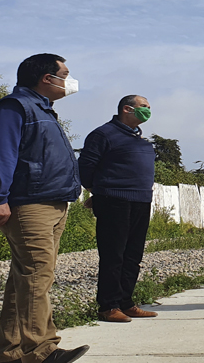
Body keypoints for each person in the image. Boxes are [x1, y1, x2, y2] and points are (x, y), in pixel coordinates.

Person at [0, 53, 89, 363]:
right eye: (65, 74)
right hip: (31, 204)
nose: (69, 81)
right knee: (36, 277)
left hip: (53, 203)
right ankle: (42, 351)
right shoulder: (14, 108)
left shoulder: (43, 111)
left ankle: (10, 354)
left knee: (23, 280)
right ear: (46, 78)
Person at [78, 95, 158, 323]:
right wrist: (98, 191)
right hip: (114, 201)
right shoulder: (103, 134)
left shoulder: (140, 140)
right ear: (127, 108)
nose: (148, 112)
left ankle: (126, 302)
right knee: (114, 255)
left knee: (133, 255)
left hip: (141, 201)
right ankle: (108, 306)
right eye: (144, 107)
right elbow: (86, 165)